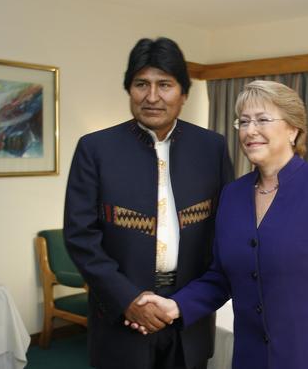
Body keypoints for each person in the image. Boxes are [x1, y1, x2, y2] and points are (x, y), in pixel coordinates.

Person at [133, 80, 308, 369]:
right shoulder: (232, 195)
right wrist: (176, 306)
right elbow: (221, 277)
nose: (250, 130)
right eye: (243, 122)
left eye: (262, 120)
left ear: (293, 129)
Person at [63, 37, 233, 369]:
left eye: (164, 85)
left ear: (184, 93)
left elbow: (224, 232)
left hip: (190, 314)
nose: (152, 96)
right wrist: (128, 300)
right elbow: (80, 237)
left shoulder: (211, 147)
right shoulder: (95, 149)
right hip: (122, 316)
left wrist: (187, 303)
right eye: (142, 84)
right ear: (129, 90)